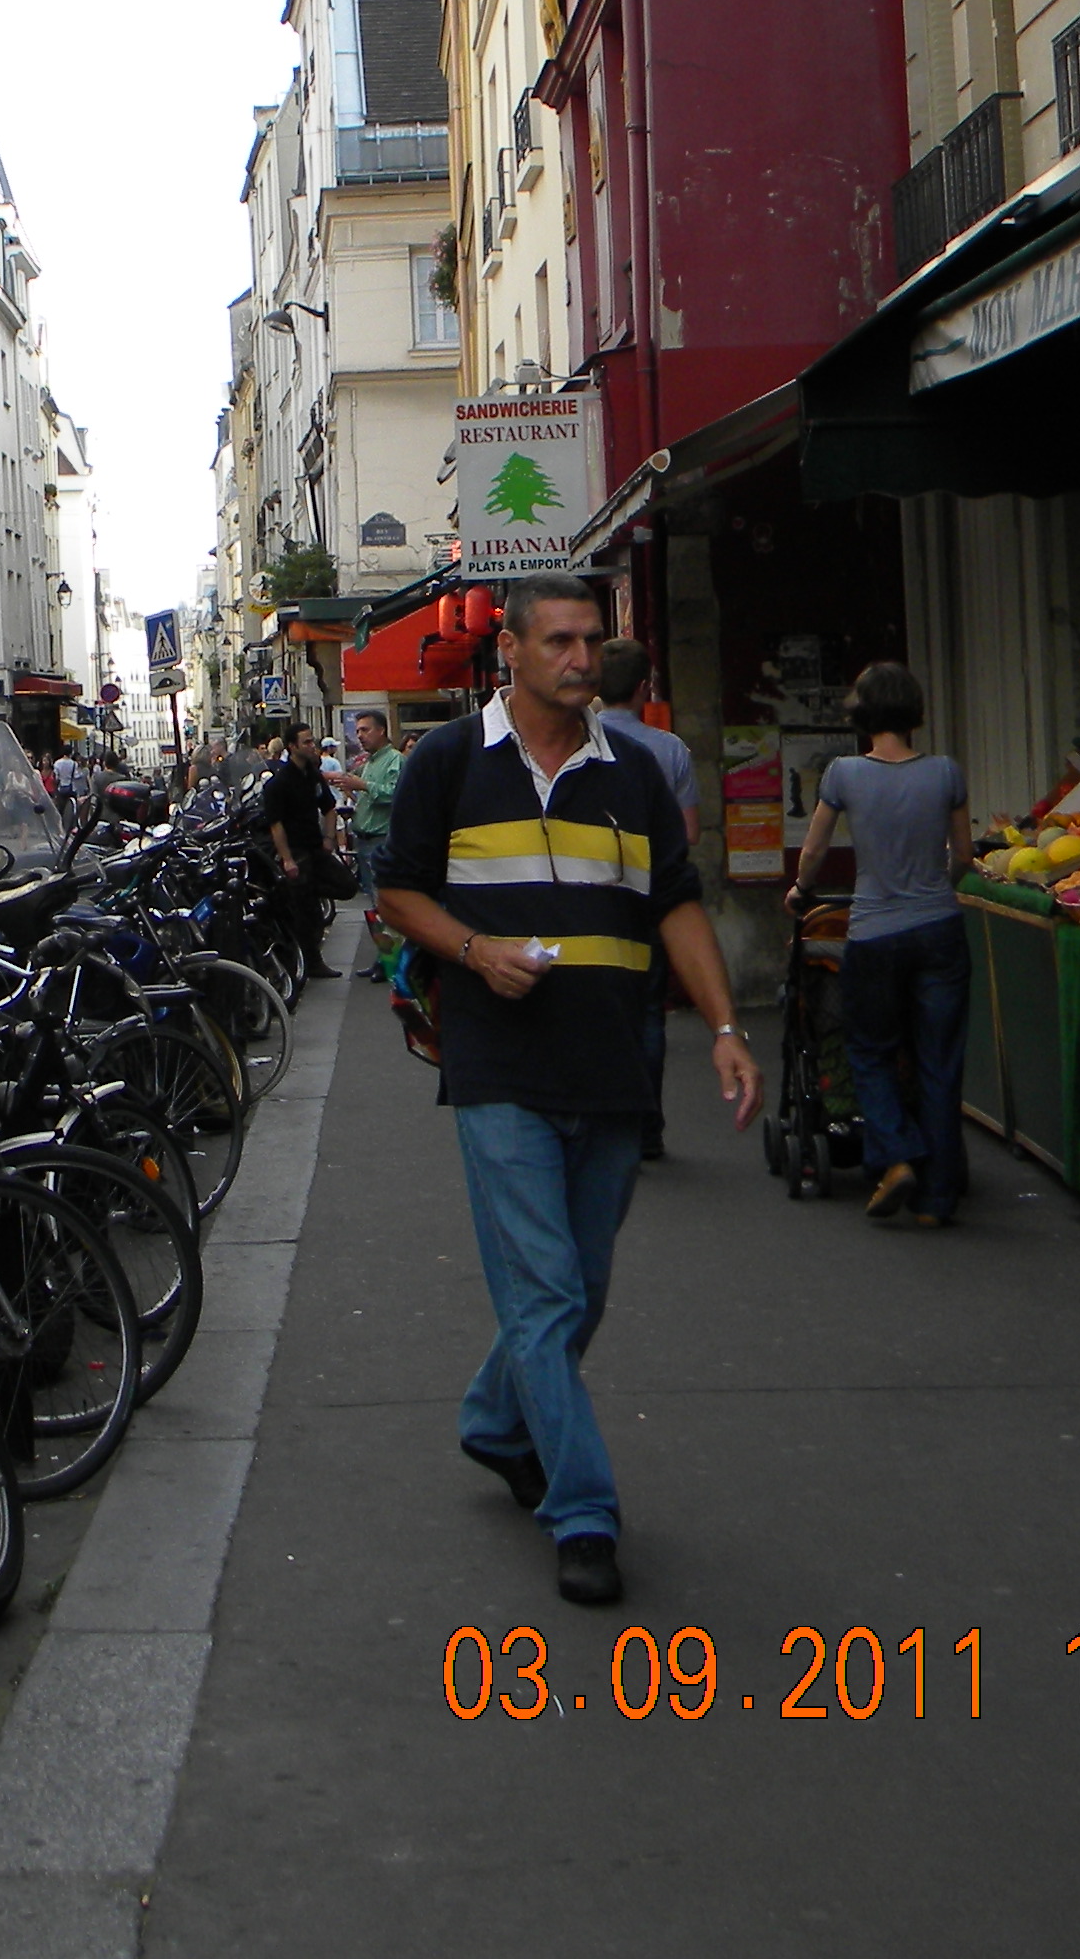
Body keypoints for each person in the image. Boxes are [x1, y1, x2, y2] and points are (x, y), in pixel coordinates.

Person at [372, 573, 759, 1608]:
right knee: (544, 1291)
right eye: (561, 642)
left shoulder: (631, 773)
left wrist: (724, 1027)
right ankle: (583, 1511)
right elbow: (398, 890)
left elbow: (675, 904)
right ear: (513, 651)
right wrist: (473, 949)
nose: (583, 659)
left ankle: (496, 1423)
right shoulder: (448, 762)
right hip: (498, 1067)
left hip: (612, 1066)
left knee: (578, 1291)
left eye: (593, 641)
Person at [788, 660, 975, 1227]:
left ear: (862, 713)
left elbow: (816, 850)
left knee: (868, 1050)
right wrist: (938, 891)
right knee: (937, 1063)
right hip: (939, 930)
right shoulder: (946, 772)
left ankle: (895, 1154)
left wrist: (801, 890)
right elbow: (963, 857)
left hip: (872, 932)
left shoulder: (843, 774)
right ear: (915, 711)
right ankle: (937, 1201)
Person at [592, 639, 703, 1159]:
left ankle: (598, 1117)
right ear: (644, 689)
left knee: (590, 1005)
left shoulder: (571, 742)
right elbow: (689, 834)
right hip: (651, 894)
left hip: (586, 892)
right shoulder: (670, 749)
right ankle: (647, 1126)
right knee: (648, 1013)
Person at [258, 727, 341, 980]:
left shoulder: (313, 776)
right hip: (296, 850)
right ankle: (310, 961)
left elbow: (329, 808)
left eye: (312, 741)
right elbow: (276, 824)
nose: (311, 745)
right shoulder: (279, 783)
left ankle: (310, 953)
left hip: (315, 847)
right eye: (306, 742)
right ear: (292, 747)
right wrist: (287, 858)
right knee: (305, 912)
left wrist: (329, 838)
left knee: (345, 885)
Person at [346, 709, 406, 980]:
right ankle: (384, 957)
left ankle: (393, 962)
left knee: (384, 904)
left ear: (382, 730)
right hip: (365, 840)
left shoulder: (394, 760)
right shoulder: (369, 761)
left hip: (382, 842)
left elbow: (396, 794)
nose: (360, 736)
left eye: (365, 730)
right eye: (358, 731)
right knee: (374, 903)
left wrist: (364, 785)